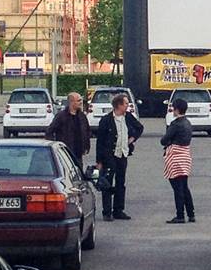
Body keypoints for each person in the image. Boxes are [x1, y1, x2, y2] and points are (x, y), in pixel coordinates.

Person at [96, 92, 143, 221]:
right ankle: (107, 212)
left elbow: (139, 128)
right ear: (118, 105)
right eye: (126, 103)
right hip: (109, 155)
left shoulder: (128, 117)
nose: (128, 106)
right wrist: (99, 161)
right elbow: (100, 141)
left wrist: (132, 139)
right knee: (107, 182)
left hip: (123, 154)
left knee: (121, 182)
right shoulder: (106, 120)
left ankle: (118, 210)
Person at [160, 99, 195, 223]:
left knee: (177, 187)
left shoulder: (175, 124)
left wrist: (168, 142)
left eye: (173, 108)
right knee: (184, 186)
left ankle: (180, 215)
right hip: (185, 155)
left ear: (177, 109)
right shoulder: (188, 123)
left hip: (174, 156)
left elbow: (164, 140)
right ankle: (191, 214)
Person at [46, 92, 91, 171]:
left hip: (78, 153)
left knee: (79, 173)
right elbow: (50, 131)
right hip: (65, 152)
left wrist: (86, 146)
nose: (81, 102)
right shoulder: (61, 116)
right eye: (78, 100)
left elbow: (87, 131)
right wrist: (54, 146)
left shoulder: (82, 116)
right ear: (71, 102)